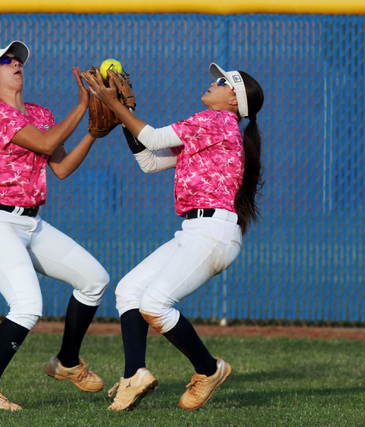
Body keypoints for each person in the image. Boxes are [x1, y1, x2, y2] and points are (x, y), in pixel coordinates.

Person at [85, 63, 264, 411]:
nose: (213, 82)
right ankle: (134, 374)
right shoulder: (213, 130)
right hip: (196, 230)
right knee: (129, 291)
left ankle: (209, 369)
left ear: (233, 99)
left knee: (154, 304)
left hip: (213, 232)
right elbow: (150, 161)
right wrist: (127, 118)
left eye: (222, 81)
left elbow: (152, 137)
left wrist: (117, 105)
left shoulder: (215, 121)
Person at [0, 41, 110, 411]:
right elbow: (45, 141)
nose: (16, 64)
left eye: (18, 60)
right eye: (5, 61)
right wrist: (81, 107)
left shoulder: (41, 113)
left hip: (30, 222)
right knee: (27, 305)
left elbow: (60, 167)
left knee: (95, 280)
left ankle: (67, 362)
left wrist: (92, 131)